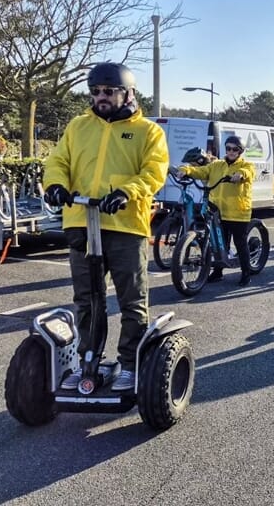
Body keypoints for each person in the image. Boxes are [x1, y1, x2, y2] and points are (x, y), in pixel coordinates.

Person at [43, 62, 168, 392]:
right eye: (95, 91)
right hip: (82, 222)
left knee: (132, 299)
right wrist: (55, 184)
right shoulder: (78, 126)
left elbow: (154, 171)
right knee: (87, 299)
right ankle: (88, 360)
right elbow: (58, 162)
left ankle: (129, 364)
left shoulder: (147, 131)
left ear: (127, 93)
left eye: (108, 92)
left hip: (125, 225)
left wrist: (127, 191)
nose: (101, 97)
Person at [179, 135, 256, 286]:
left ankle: (246, 273)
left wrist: (239, 175)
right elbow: (201, 171)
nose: (231, 151)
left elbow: (248, 173)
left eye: (235, 149)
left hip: (237, 213)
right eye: (228, 148)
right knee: (220, 245)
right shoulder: (217, 165)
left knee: (240, 243)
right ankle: (218, 272)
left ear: (240, 151)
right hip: (218, 211)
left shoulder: (247, 165)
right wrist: (185, 170)